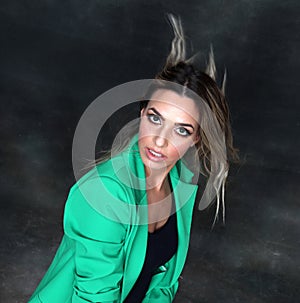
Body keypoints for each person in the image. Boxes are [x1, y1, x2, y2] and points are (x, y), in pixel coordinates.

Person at [28, 14, 238, 303]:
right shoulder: (104, 194)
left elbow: (164, 283)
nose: (160, 139)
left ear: (196, 138)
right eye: (155, 118)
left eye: (181, 129)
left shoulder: (183, 182)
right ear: (142, 114)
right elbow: (94, 298)